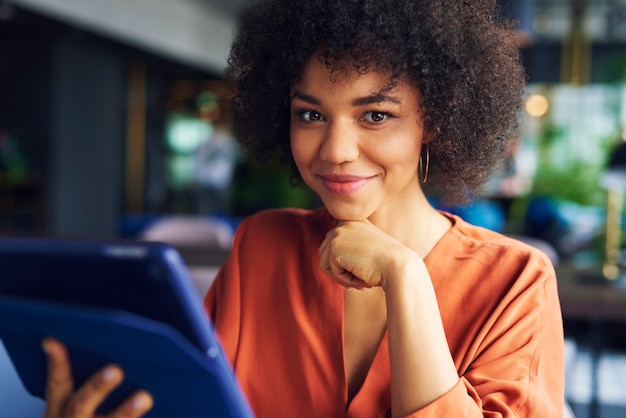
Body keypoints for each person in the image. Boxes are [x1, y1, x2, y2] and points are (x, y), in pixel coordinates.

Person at [41, 0, 565, 417]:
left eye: (376, 115)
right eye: (311, 113)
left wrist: (405, 276)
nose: (335, 149)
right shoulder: (261, 246)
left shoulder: (515, 280)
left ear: (435, 121)